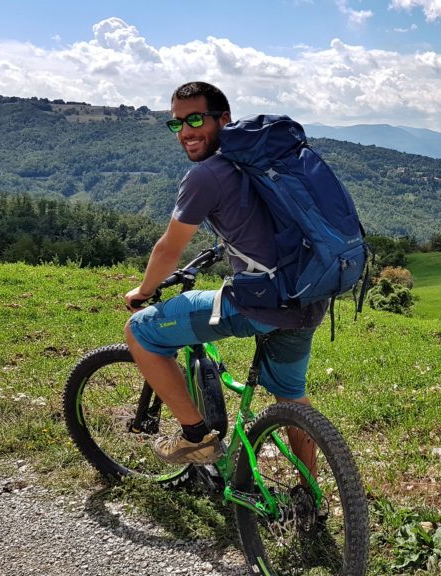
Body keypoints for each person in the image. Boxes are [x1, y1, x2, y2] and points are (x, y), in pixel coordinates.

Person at [124, 81, 326, 466]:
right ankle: (309, 496)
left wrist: (144, 290)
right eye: (177, 124)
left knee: (139, 332)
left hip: (261, 303)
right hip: (308, 297)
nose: (185, 132)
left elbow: (169, 247)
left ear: (224, 119)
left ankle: (197, 438)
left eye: (196, 119)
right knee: (291, 398)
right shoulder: (265, 162)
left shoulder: (206, 176)